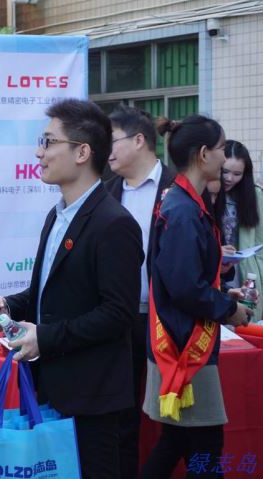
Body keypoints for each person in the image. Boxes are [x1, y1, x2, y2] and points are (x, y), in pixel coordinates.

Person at [0, 99, 144, 479]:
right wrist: (5, 307)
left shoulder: (114, 224)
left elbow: (118, 314)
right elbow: (46, 292)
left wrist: (45, 338)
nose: (39, 153)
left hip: (92, 398)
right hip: (50, 390)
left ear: (82, 152)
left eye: (48, 142)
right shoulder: (57, 215)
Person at [140, 115, 252, 479]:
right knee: (205, 449)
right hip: (185, 348)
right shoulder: (184, 210)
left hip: (180, 338)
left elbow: (183, 277)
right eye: (221, 148)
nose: (224, 156)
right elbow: (185, 287)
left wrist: (219, 292)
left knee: (176, 442)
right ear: (204, 154)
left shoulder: (184, 203)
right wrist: (230, 309)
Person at [104, 104, 176, 478]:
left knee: (176, 415)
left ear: (139, 140)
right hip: (120, 319)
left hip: (168, 319)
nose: (106, 151)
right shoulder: (105, 192)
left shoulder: (177, 189)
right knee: (123, 417)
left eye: (112, 141)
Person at [220, 140, 263, 321]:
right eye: (225, 171)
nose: (229, 178)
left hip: (245, 272)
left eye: (237, 174)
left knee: (244, 325)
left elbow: (260, 243)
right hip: (218, 269)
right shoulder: (209, 192)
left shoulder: (255, 195)